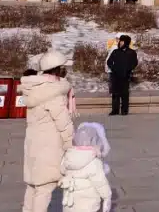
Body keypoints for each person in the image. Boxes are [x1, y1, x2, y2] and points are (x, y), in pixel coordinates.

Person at [22, 51, 75, 212]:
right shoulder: (53, 94)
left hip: (33, 145)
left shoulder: (35, 89)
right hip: (48, 147)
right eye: (62, 69)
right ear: (57, 70)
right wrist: (70, 145)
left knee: (33, 187)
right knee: (44, 189)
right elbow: (64, 124)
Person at [58, 122, 112, 212]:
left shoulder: (68, 156)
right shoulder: (94, 162)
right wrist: (107, 197)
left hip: (70, 202)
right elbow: (100, 182)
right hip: (88, 204)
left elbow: (62, 170)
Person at [106, 34, 137, 116]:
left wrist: (128, 69)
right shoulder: (116, 51)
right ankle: (115, 110)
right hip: (115, 76)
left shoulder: (131, 52)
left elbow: (134, 63)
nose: (120, 43)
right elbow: (109, 61)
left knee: (124, 94)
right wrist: (113, 68)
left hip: (125, 76)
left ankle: (124, 110)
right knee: (115, 94)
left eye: (122, 41)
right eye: (120, 41)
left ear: (126, 42)